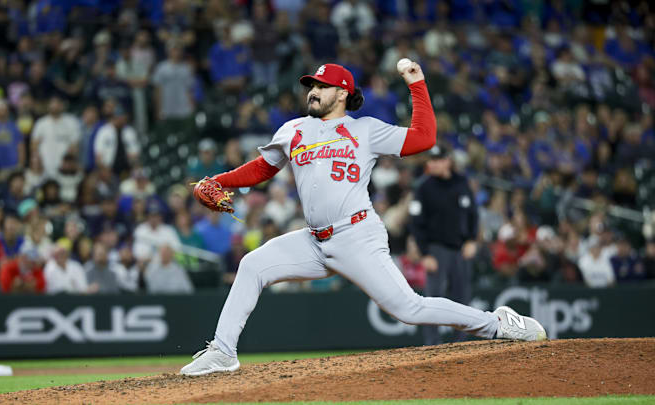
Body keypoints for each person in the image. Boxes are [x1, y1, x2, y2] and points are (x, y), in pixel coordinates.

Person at [180, 62, 547, 376]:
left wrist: (417, 84)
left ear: (342, 93)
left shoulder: (366, 130)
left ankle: (497, 324)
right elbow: (262, 168)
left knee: (409, 308)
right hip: (312, 239)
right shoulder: (293, 130)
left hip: (356, 235)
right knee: (252, 264)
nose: (312, 91)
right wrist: (218, 181)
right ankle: (223, 352)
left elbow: (424, 138)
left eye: (321, 86)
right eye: (311, 85)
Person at [408, 145, 479, 345]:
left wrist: (472, 240)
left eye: (437, 159)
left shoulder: (462, 182)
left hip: (461, 249)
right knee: (432, 301)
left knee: (462, 298)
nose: (433, 164)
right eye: (431, 160)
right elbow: (416, 223)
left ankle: (461, 344)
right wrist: (424, 254)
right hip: (435, 250)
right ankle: (433, 346)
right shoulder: (423, 187)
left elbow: (473, 214)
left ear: (448, 160)